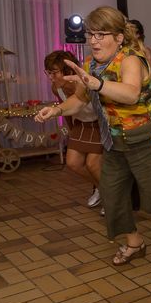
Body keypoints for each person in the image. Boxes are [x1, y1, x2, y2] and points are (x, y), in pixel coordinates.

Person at [36, 6, 151, 266]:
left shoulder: (132, 59)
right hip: (115, 140)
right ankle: (135, 242)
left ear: (119, 37)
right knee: (110, 195)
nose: (94, 40)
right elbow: (78, 100)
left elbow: (131, 93)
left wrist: (97, 84)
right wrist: (54, 110)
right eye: (91, 34)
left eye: (102, 34)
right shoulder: (89, 65)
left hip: (147, 139)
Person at [44, 50, 103, 210]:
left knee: (92, 164)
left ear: (68, 70)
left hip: (99, 124)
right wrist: (72, 131)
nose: (51, 77)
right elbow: (65, 110)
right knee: (72, 163)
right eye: (48, 73)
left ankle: (111, 198)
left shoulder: (84, 83)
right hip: (81, 124)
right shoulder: (56, 88)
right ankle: (101, 188)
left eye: (54, 73)